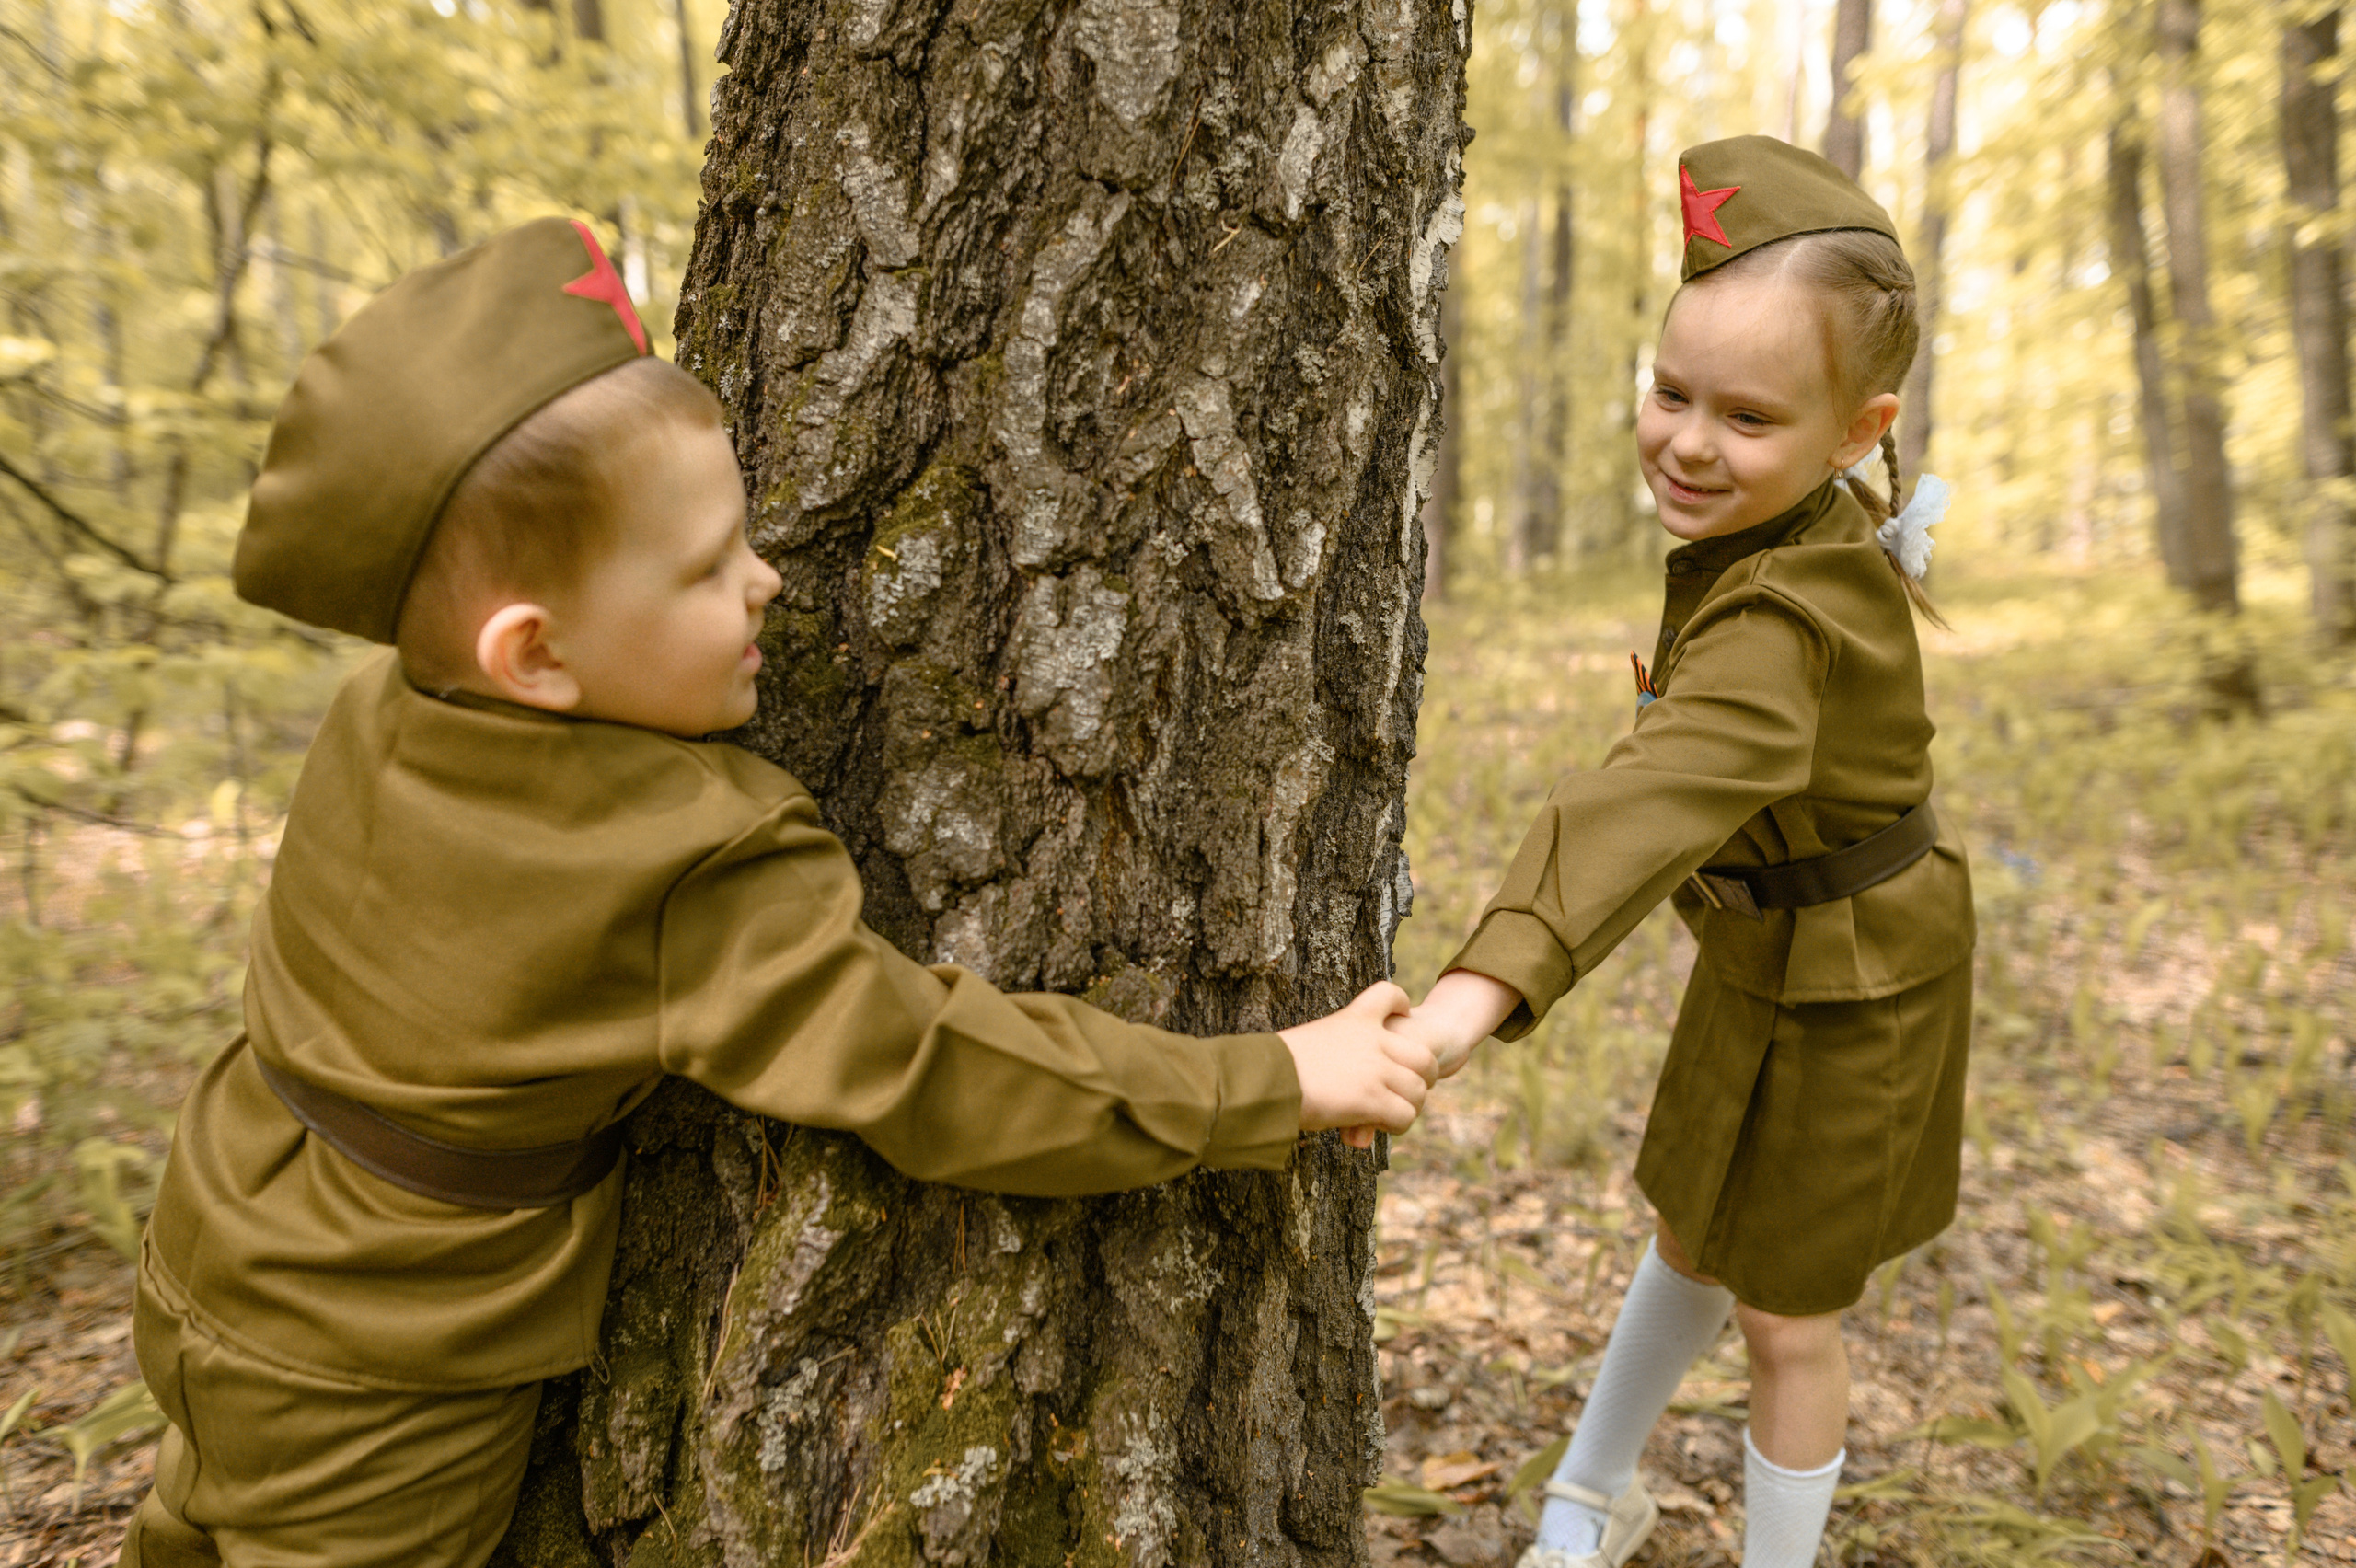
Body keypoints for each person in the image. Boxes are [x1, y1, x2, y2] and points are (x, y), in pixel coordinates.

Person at [120, 217, 1438, 1567]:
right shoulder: (681, 861)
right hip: (381, 1374)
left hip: (213, 1244)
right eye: (705, 569)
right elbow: (935, 1068)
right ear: (533, 654)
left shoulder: (382, 711)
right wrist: (1266, 1081)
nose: (768, 579)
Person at [1392, 136, 1975, 1568]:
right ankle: (1590, 1495)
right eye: (1671, 395)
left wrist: (1480, 990)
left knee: (1787, 1315)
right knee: (1697, 1227)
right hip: (1769, 948)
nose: (1691, 442)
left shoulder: (1787, 615)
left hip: (1860, 989)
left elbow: (1663, 785)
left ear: (1857, 430)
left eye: (1750, 417)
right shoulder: (1778, 537)